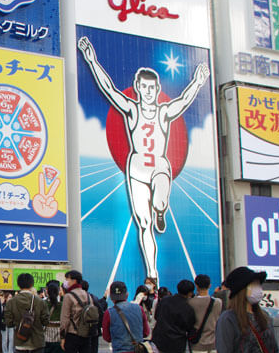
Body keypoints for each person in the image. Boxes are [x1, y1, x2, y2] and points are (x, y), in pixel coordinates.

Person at [79, 36, 210, 280]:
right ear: (138, 88)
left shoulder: (163, 111)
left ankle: (161, 209)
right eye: (144, 87)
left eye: (152, 88)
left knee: (159, 202)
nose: (148, 92)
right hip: (137, 168)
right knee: (144, 223)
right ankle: (152, 271)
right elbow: (108, 89)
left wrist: (198, 82)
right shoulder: (131, 109)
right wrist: (91, 59)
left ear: (157, 90)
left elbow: (184, 101)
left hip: (159, 165)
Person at [82, 280, 108, 353]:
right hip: (94, 330)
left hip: (86, 330)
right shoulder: (93, 297)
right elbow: (101, 309)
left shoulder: (82, 298)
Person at [43, 280, 65, 353]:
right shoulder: (62, 305)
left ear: (47, 291)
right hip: (58, 337)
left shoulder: (43, 304)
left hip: (45, 336)